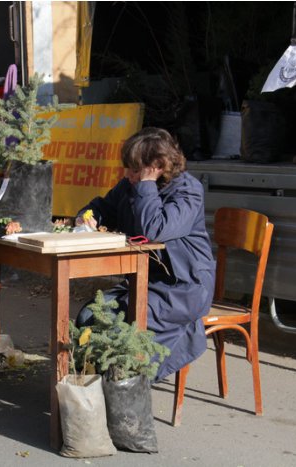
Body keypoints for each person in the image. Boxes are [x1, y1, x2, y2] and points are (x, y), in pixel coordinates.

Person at [75, 127, 216, 382]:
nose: (128, 175)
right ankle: (92, 387)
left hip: (183, 289)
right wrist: (87, 216)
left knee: (120, 325)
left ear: (158, 166)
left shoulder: (188, 191)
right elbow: (102, 207)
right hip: (143, 283)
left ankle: (124, 385)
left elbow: (155, 229)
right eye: (128, 168)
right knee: (90, 314)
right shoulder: (131, 185)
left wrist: (147, 184)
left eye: (135, 169)